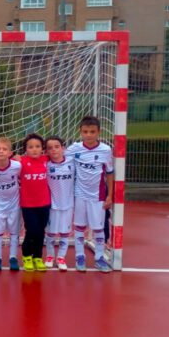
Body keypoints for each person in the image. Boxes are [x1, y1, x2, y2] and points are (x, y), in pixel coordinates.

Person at [66, 116, 114, 273]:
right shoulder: (74, 149)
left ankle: (99, 258)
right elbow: (57, 156)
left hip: (98, 196)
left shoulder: (105, 150)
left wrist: (110, 196)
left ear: (99, 132)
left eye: (92, 132)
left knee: (98, 229)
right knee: (79, 227)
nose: (89, 135)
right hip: (79, 194)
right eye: (85, 131)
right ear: (80, 132)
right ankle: (80, 257)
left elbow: (110, 173)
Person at [0, 137, 22, 271]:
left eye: (4, 149)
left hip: (14, 204)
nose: (1, 151)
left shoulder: (17, 166)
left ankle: (13, 257)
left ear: (10, 153)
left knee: (14, 232)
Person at [18, 133, 51, 272]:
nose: (34, 149)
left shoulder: (46, 159)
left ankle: (37, 257)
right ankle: (26, 256)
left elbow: (62, 154)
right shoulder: (21, 161)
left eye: (37, 146)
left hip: (44, 203)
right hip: (28, 204)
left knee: (41, 231)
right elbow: (0, 160)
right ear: (25, 149)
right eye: (30, 147)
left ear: (42, 148)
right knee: (32, 230)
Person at [43, 136, 75, 271]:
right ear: (46, 151)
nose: (54, 150)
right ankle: (50, 256)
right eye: (50, 148)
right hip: (52, 206)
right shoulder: (46, 165)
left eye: (57, 147)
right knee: (50, 233)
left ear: (63, 148)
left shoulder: (72, 161)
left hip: (68, 204)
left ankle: (61, 257)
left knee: (64, 233)